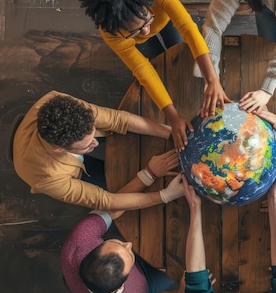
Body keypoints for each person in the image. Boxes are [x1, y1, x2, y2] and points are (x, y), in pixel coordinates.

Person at [78, 0, 231, 152]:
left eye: (147, 20)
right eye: (135, 30)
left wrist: (212, 80)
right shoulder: (112, 32)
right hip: (140, 39)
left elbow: (188, 29)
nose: (145, 31)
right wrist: (173, 117)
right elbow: (143, 69)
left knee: (178, 50)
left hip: (164, 18)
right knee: (157, 62)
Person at [13, 90, 185, 211]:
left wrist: (172, 134)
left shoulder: (58, 103)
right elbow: (107, 201)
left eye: (93, 133)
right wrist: (164, 193)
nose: (95, 143)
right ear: (58, 149)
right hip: (60, 170)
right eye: (87, 145)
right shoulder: (46, 177)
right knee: (117, 189)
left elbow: (119, 120)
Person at [61, 206, 187, 293]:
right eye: (130, 255)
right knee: (185, 261)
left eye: (120, 244)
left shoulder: (76, 245)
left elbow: (111, 208)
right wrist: (183, 291)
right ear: (122, 285)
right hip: (147, 281)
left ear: (92, 250)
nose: (129, 244)